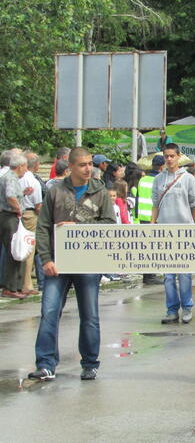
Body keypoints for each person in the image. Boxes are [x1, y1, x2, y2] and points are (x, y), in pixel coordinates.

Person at [30, 147, 116, 381]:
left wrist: (79, 229)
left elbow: (110, 225)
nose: (88, 168)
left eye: (90, 164)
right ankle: (46, 363)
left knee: (89, 315)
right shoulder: (55, 191)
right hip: (57, 264)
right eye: (83, 165)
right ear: (71, 167)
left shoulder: (100, 192)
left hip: (88, 264)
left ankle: (90, 363)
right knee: (49, 312)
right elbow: (44, 227)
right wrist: (46, 259)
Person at [151, 143, 195, 324]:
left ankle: (187, 307)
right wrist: (152, 225)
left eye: (172, 156)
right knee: (168, 275)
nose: (169, 159)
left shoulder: (187, 178)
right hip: (165, 230)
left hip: (185, 230)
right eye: (166, 156)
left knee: (184, 273)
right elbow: (155, 204)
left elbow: (194, 203)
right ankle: (171, 310)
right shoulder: (158, 179)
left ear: (178, 156)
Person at [0, 153, 30, 299]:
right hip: (9, 217)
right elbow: (10, 196)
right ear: (20, 166)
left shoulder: (10, 177)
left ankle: (16, 286)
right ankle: (10, 287)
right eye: (25, 167)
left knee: (18, 250)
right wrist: (18, 209)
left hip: (8, 216)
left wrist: (23, 194)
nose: (26, 170)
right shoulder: (11, 178)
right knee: (14, 251)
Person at [134, 154, 165, 285]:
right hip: (154, 217)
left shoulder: (143, 179)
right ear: (162, 167)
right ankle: (150, 276)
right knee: (153, 247)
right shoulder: (159, 180)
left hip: (142, 216)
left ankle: (148, 275)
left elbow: (137, 198)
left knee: (146, 247)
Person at [19, 152, 43, 296]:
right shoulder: (33, 181)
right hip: (30, 215)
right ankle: (27, 284)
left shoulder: (18, 178)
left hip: (19, 214)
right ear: (37, 165)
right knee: (29, 250)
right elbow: (38, 205)